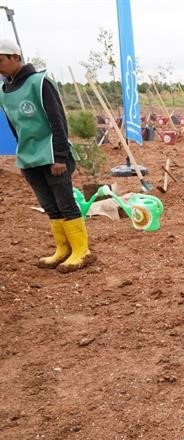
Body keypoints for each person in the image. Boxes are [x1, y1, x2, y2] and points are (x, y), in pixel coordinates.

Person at [0, 39, 94, 273]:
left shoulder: (39, 82)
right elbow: (15, 127)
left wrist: (60, 156)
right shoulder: (4, 91)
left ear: (15, 57)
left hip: (52, 155)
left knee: (66, 203)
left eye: (0, 60)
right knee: (50, 206)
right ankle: (63, 249)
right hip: (29, 158)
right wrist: (22, 153)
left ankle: (82, 251)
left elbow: (57, 120)